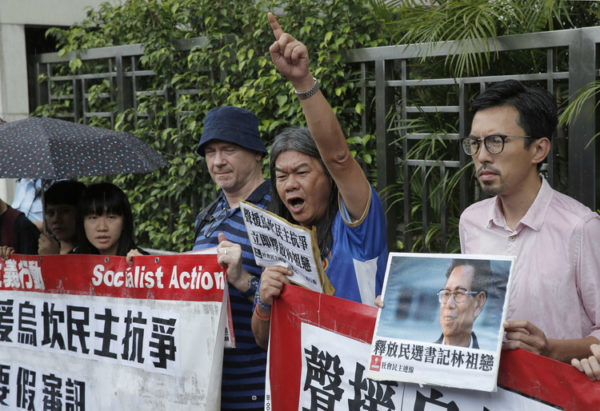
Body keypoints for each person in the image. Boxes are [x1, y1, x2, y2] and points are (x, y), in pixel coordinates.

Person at [251, 13, 388, 349]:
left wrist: (302, 82)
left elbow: (339, 157)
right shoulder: (279, 241)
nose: (289, 184)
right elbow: (261, 339)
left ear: (329, 178)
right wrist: (264, 300)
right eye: (280, 177)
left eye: (301, 172)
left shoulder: (357, 226)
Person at [458, 79, 600, 363]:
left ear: (538, 150)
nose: (482, 156)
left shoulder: (581, 227)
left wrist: (550, 348)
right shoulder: (471, 221)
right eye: (475, 143)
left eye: (496, 142)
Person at [192, 105, 270, 411]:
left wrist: (245, 281)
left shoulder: (278, 213)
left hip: (258, 388)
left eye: (229, 149)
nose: (217, 161)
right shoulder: (207, 217)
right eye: (210, 152)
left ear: (257, 154)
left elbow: (300, 301)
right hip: (209, 388)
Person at [435, 259, 490, 348]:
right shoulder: (420, 356)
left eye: (459, 293)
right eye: (446, 293)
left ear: (479, 303)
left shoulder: (492, 358)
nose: (449, 304)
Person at [74, 182, 140, 257]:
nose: (102, 228)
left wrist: (141, 265)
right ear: (82, 222)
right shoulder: (70, 262)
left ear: (124, 221)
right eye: (93, 218)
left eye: (111, 217)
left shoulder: (143, 263)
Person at [38, 180, 86, 255]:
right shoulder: (42, 249)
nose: (56, 219)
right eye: (50, 213)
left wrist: (52, 260)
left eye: (65, 211)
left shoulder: (94, 253)